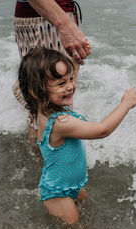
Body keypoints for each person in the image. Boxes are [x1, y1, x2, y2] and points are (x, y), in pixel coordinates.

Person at [18, 47, 136, 224]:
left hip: (72, 185)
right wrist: (125, 104)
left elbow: (65, 89)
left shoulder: (47, 110)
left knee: (88, 212)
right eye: (61, 84)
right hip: (57, 193)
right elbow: (103, 130)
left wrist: (75, 64)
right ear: (36, 90)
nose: (70, 86)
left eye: (70, 79)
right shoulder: (59, 123)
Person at [13, 0, 91, 140]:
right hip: (47, 17)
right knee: (51, 110)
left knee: (48, 109)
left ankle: (44, 158)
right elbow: (103, 130)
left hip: (50, 15)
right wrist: (65, 25)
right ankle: (47, 161)